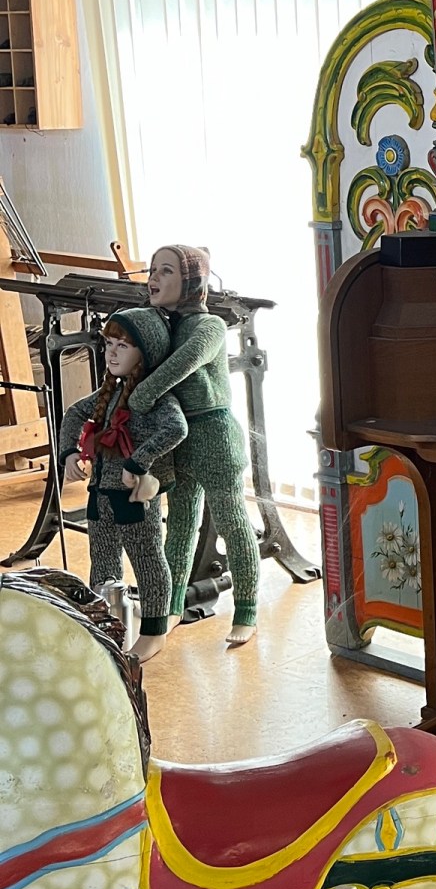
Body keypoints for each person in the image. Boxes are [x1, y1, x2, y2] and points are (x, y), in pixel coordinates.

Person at [124, 245, 259, 646]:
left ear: (190, 280)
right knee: (180, 527)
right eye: (152, 270)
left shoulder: (210, 325)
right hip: (178, 438)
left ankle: (247, 611)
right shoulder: (164, 325)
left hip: (214, 436)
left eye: (166, 271)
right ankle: (172, 605)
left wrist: (141, 395)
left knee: (233, 523)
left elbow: (185, 361)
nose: (154, 278)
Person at [59, 306, 186, 662]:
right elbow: (74, 413)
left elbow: (176, 428)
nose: (112, 353)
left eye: (123, 346)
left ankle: (154, 631)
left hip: (133, 498)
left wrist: (137, 461)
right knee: (102, 560)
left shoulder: (153, 397)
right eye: (108, 344)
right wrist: (69, 453)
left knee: (147, 560)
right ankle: (104, 624)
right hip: (99, 493)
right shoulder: (109, 394)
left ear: (144, 353)